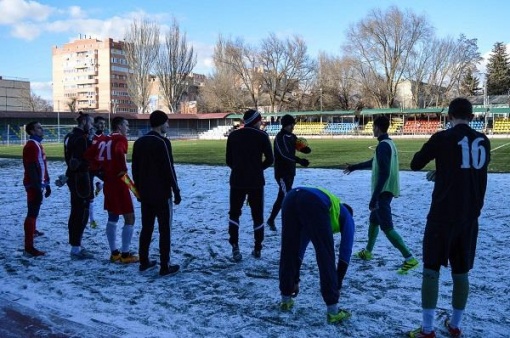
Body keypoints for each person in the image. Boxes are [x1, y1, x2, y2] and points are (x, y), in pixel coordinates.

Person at [408, 98, 490, 338]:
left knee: (431, 270)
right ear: (472, 117)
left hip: (442, 216)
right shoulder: (483, 141)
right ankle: (455, 325)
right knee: (461, 272)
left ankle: (427, 329)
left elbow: (415, 164)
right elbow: (469, 172)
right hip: (469, 217)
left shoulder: (442, 138)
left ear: (449, 116)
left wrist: (440, 168)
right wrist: (443, 171)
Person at [343, 116, 417, 274]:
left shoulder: (383, 146)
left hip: (384, 191)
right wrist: (354, 167)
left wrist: (374, 197)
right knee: (374, 221)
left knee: (387, 227)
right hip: (386, 189)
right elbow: (374, 162)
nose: (372, 130)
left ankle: (409, 258)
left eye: (373, 127)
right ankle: (368, 252)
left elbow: (383, 173)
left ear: (377, 127)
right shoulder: (388, 143)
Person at [279, 186, 354, 324]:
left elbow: (298, 251)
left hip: (290, 198)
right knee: (325, 255)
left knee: (288, 249)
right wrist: (337, 283)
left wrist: (294, 280)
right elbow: (345, 252)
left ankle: (286, 300)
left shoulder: (325, 210)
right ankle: (333, 311)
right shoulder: (347, 215)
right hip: (313, 202)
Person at [132, 110, 181, 276]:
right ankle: (165, 265)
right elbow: (169, 168)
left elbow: (135, 169)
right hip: (161, 193)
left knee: (146, 228)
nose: (168, 125)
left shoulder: (139, 142)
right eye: (167, 122)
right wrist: (176, 189)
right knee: (164, 229)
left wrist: (138, 190)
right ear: (161, 123)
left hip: (145, 193)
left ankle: (144, 261)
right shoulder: (162, 142)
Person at [226, 109, 274, 261]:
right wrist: (258, 168)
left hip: (237, 181)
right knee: (257, 215)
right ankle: (257, 248)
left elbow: (229, 160)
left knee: (234, 213)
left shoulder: (233, 135)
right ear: (255, 121)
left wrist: (239, 168)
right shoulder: (262, 136)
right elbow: (270, 159)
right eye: (260, 120)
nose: (261, 123)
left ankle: (235, 246)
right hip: (256, 182)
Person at [100, 116, 138, 263]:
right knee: (130, 218)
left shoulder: (104, 140)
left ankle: (114, 253)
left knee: (112, 217)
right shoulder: (120, 140)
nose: (127, 128)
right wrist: (134, 190)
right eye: (126, 125)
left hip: (108, 183)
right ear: (119, 126)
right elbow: (122, 169)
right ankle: (126, 254)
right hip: (119, 184)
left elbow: (95, 159)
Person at [266, 114, 310, 231]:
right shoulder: (280, 138)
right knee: (288, 197)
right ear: (287, 125)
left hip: (291, 172)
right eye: (292, 124)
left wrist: (305, 149)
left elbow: (298, 147)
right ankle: (293, 223)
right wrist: (300, 160)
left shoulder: (292, 136)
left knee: (282, 197)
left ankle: (271, 220)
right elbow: (284, 154)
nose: (293, 126)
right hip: (282, 173)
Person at [64, 111, 95, 259]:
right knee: (81, 213)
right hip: (81, 180)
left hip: (73, 179)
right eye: (91, 122)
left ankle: (75, 244)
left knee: (75, 211)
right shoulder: (80, 139)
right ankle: (76, 248)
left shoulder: (69, 136)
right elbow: (76, 162)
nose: (92, 125)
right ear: (84, 123)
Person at [22, 121, 51, 257]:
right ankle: (29, 247)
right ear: (32, 131)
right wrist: (37, 187)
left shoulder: (38, 145)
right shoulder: (31, 146)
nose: (42, 129)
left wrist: (47, 183)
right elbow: (31, 168)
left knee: (35, 209)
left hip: (39, 183)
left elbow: (42, 165)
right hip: (34, 185)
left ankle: (32, 230)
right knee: (32, 212)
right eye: (39, 128)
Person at [87, 116, 107, 229]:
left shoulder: (106, 138)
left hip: (100, 168)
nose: (102, 125)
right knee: (90, 197)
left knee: (112, 180)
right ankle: (92, 220)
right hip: (89, 169)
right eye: (100, 123)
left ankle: (100, 185)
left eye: (104, 123)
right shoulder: (90, 137)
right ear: (94, 124)